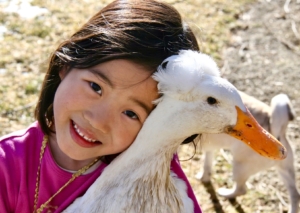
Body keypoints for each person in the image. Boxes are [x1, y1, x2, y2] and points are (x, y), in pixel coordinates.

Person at [0, 0, 201, 212]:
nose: (98, 121)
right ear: (66, 64)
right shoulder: (7, 166)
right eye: (96, 87)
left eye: (131, 113)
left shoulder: (153, 176)